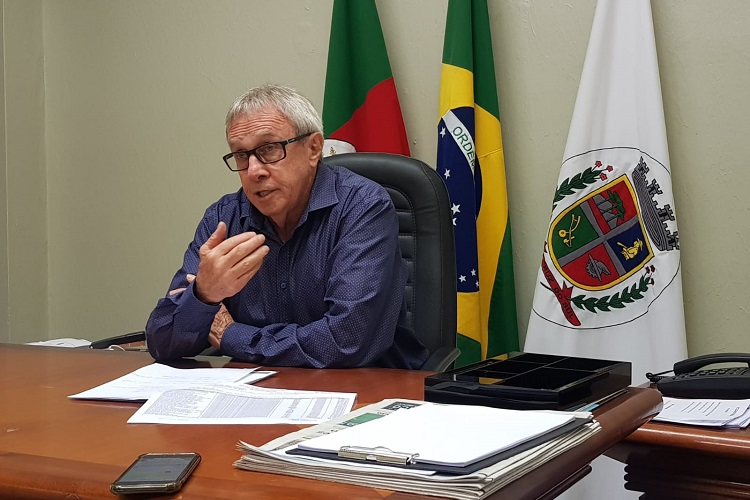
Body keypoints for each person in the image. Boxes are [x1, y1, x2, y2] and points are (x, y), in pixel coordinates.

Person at [145, 84, 428, 369]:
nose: (254, 171)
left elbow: (346, 341)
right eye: (241, 155)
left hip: (366, 386)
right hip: (253, 389)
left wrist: (232, 335)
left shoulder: (362, 207)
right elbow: (161, 342)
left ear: (313, 148)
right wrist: (204, 294)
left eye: (269, 149)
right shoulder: (224, 218)